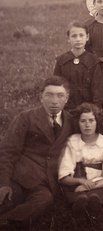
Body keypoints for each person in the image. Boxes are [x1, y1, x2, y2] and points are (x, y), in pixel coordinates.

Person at [0, 76, 73, 226]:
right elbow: (8, 152)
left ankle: (6, 223)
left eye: (60, 95)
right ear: (41, 97)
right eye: (49, 95)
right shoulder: (25, 118)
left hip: (45, 184)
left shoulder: (71, 122)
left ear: (67, 98)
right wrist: (4, 183)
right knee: (6, 199)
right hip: (18, 178)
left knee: (44, 201)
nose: (54, 101)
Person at [58, 103, 103, 219]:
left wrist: (90, 186)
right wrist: (81, 181)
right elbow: (63, 177)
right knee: (78, 196)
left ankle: (93, 209)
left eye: (91, 121)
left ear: (97, 122)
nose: (87, 125)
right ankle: (80, 208)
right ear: (77, 122)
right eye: (83, 121)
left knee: (97, 196)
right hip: (76, 186)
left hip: (98, 185)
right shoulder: (72, 141)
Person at [54, 21, 100, 110]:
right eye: (74, 36)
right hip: (66, 108)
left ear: (87, 37)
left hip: (88, 109)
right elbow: (56, 85)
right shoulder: (61, 61)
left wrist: (94, 109)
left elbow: (97, 91)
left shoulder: (94, 61)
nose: (78, 39)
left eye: (81, 35)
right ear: (68, 39)